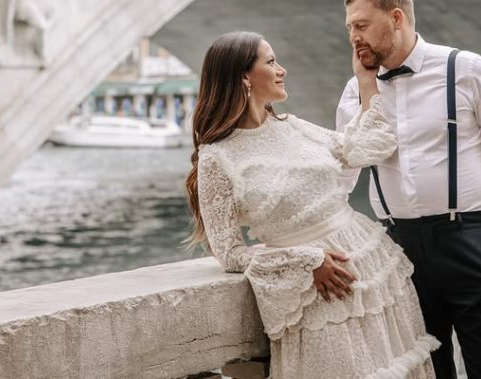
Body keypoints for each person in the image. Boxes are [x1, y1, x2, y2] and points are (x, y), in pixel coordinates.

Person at [186, 31, 438, 379]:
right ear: (244, 77)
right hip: (315, 290)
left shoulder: (293, 127)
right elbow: (229, 253)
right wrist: (306, 259)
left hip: (369, 267)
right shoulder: (216, 157)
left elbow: (365, 148)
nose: (282, 69)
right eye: (271, 61)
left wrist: (366, 82)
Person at [337, 0, 481, 379]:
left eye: (361, 25)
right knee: (425, 373)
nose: (354, 37)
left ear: (396, 18)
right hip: (398, 249)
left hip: (471, 241)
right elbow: (343, 174)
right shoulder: (355, 90)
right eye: (350, 28)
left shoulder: (466, 69)